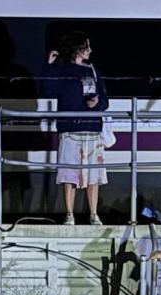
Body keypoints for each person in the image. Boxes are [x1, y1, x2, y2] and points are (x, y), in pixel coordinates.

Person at [39, 31, 108, 226]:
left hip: (92, 127)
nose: (90, 50)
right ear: (77, 48)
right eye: (87, 46)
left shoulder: (92, 70)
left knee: (93, 172)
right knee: (69, 172)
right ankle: (69, 214)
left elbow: (105, 98)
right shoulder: (62, 70)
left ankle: (94, 214)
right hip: (69, 128)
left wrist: (97, 102)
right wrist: (49, 66)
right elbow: (46, 90)